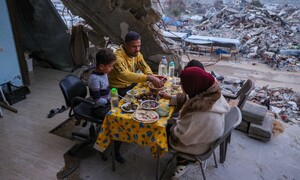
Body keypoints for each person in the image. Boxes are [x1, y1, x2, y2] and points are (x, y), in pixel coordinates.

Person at [158, 67, 230, 178]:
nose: (182, 88)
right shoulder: (212, 94)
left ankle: (183, 160)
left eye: (183, 85)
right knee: (173, 119)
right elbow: (191, 99)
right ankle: (182, 160)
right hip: (207, 137)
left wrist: (170, 125)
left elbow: (180, 137)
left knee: (161, 127)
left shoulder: (198, 113)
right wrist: (171, 97)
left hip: (197, 146)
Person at [88, 48, 125, 164]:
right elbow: (98, 101)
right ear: (102, 66)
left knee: (125, 106)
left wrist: (114, 95)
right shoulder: (94, 79)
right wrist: (110, 100)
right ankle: (115, 151)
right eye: (110, 66)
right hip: (98, 108)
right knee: (119, 120)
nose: (112, 68)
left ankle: (118, 137)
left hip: (107, 102)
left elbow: (106, 90)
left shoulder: (103, 73)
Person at [108, 31, 163, 97]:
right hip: (118, 89)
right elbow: (125, 75)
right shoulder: (117, 57)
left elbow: (144, 67)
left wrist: (150, 75)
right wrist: (149, 78)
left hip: (131, 84)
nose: (137, 49)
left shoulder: (136, 54)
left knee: (152, 94)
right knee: (140, 99)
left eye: (139, 46)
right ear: (125, 45)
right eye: (134, 46)